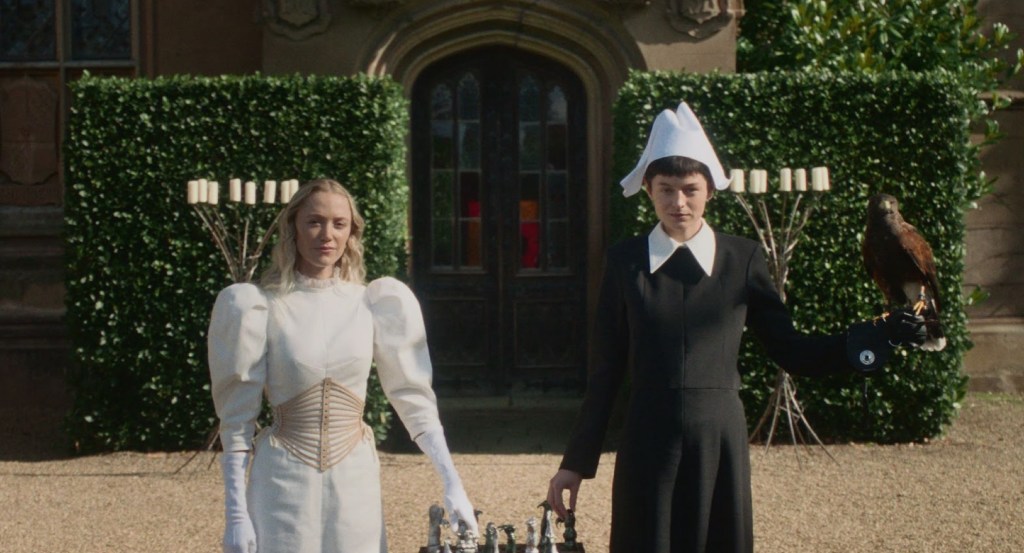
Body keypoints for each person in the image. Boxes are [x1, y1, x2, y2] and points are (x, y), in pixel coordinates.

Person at [545, 103, 926, 553]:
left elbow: (791, 350)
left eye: (690, 189)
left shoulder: (742, 259)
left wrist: (877, 335)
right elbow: (606, 372)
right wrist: (575, 464)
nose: (679, 203)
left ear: (709, 190)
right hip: (647, 440)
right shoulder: (625, 262)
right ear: (648, 189)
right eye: (666, 190)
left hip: (720, 442)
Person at [208, 178, 478, 553]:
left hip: (355, 475)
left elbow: (413, 396)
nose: (327, 235)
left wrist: (453, 482)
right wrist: (236, 514)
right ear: (293, 227)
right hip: (282, 474)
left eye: (339, 224)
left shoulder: (373, 303)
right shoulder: (258, 305)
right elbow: (237, 419)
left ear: (351, 232)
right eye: (314, 222)